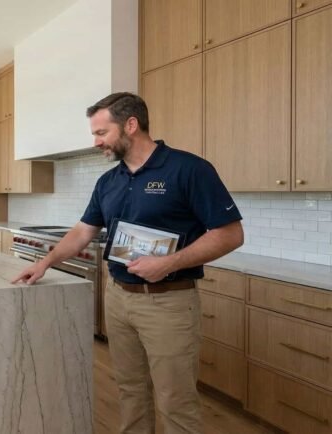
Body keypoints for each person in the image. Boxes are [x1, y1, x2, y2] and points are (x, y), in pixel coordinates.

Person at [13, 92, 243, 434]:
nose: (96, 142)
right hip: (118, 297)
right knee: (130, 391)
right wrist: (46, 261)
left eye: (101, 133)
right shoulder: (109, 181)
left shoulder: (189, 169)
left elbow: (230, 234)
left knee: (175, 401)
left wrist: (169, 263)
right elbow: (82, 231)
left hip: (168, 302)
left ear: (131, 125)